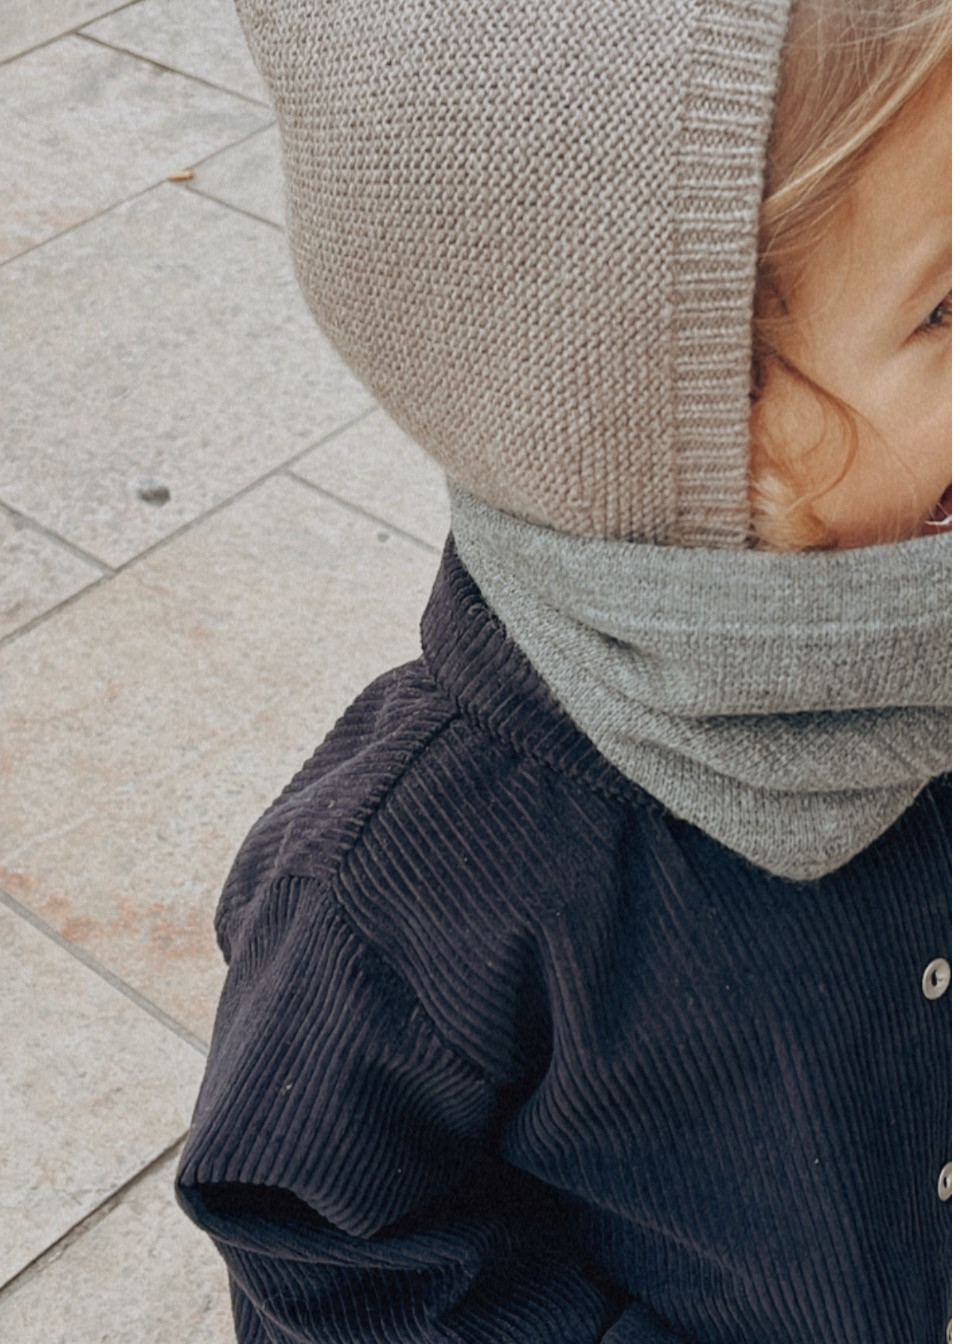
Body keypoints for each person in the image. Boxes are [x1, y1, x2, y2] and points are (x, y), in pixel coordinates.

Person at [176, 1, 951, 1339]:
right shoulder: (405, 874)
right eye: (949, 305)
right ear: (704, 424)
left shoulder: (910, 584)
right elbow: (319, 1236)